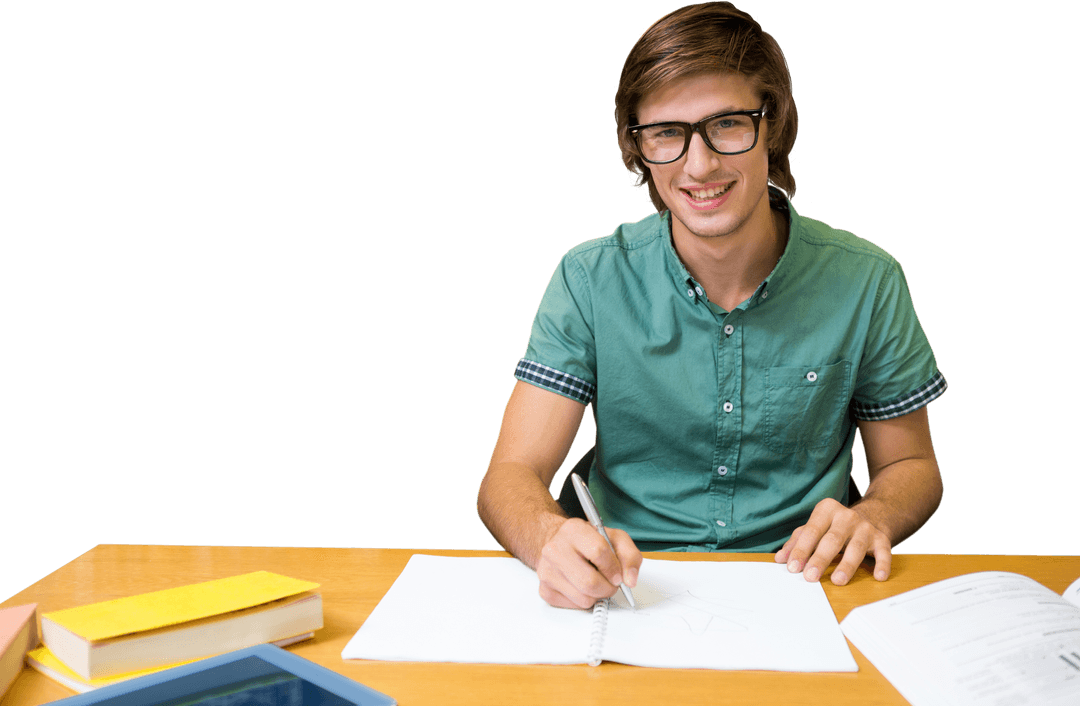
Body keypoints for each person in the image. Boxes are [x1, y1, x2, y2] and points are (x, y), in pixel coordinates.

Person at [476, 1, 945, 610]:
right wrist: (549, 538)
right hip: (627, 593)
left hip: (804, 590)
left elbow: (912, 463)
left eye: (726, 124)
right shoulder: (589, 278)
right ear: (638, 145)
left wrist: (876, 514)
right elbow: (508, 477)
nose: (700, 165)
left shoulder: (868, 279)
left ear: (771, 125)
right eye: (667, 133)